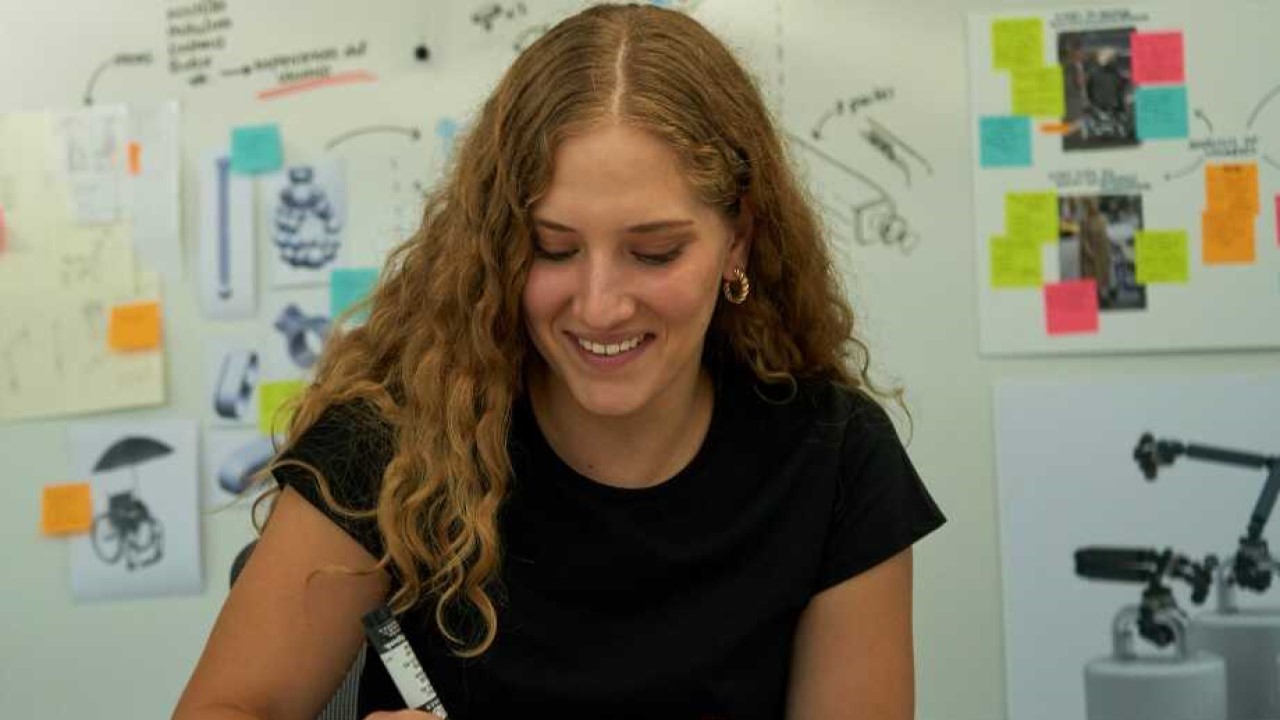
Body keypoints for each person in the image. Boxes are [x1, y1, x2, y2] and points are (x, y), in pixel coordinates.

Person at [174, 5, 945, 719]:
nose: (600, 306)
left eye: (654, 251)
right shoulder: (393, 443)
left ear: (737, 238)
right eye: (552, 248)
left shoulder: (834, 459)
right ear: (498, 244)